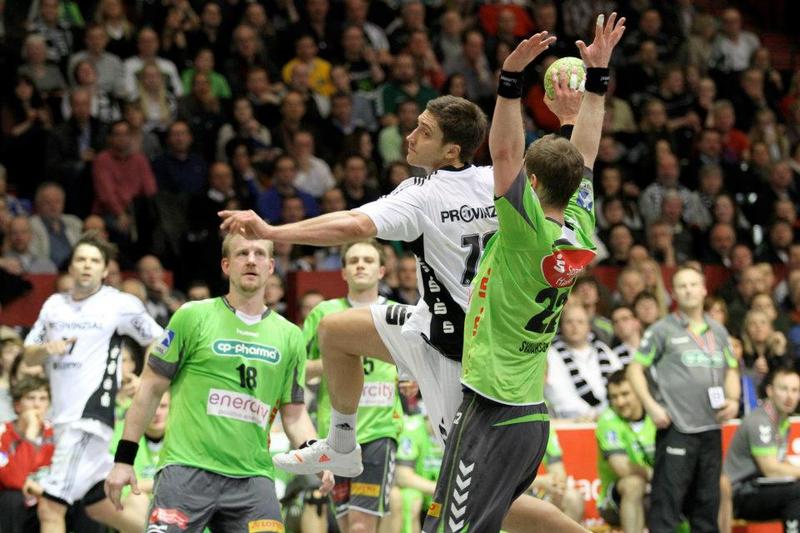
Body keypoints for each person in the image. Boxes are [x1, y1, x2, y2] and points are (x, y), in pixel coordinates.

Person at [220, 44, 587, 533]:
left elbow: (352, 225)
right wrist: (569, 121)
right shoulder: (499, 182)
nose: (410, 136)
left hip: (462, 361)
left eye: (424, 132)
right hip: (427, 324)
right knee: (335, 330)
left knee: (499, 502)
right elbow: (562, 175)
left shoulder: (421, 195)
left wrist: (272, 231)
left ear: (451, 151)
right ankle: (342, 445)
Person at [427, 14, 623, 530]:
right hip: (530, 414)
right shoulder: (580, 227)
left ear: (531, 186)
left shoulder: (525, 233)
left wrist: (510, 80)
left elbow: (505, 151)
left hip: (492, 409)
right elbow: (584, 154)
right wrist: (596, 82)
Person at [104, 233, 333, 531]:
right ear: (226, 265)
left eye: (259, 254)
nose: (251, 260)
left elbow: (295, 414)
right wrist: (124, 460)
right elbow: (150, 388)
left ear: (271, 267)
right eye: (242, 254)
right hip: (186, 470)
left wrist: (316, 455)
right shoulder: (192, 316)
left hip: (252, 478)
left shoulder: (290, 336)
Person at [22, 233, 164, 533]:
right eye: (81, 259)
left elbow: (159, 339)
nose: (87, 265)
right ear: (71, 267)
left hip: (89, 419)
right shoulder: (53, 305)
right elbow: (29, 354)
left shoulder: (118, 304)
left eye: (95, 261)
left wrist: (144, 379)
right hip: (62, 419)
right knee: (101, 505)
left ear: (105, 270)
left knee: (50, 508)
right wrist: (46, 349)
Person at [628, 265, 741, 533]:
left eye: (693, 285)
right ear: (674, 293)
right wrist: (651, 406)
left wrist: (734, 399)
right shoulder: (662, 330)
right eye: (682, 286)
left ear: (704, 290)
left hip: (711, 427)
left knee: (707, 505)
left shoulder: (718, 331)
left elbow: (731, 368)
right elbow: (634, 369)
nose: (688, 290)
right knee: (667, 505)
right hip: (677, 427)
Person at [303, 239, 403, 532]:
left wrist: (411, 380)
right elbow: (299, 370)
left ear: (382, 270)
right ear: (343, 272)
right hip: (335, 432)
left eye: (368, 260)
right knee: (346, 524)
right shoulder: (325, 313)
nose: (361, 265)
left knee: (361, 526)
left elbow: (421, 363)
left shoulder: (398, 313)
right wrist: (340, 357)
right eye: (354, 260)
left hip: (380, 430)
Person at [724, 368, 800, 530]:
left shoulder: (783, 421)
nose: (790, 396)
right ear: (770, 391)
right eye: (784, 389)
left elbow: (781, 463)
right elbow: (770, 469)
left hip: (760, 488)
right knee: (797, 492)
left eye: (795, 390)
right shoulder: (760, 421)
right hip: (739, 494)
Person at [595, 370, 655, 533]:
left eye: (625, 394)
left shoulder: (656, 415)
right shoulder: (608, 420)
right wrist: (654, 475)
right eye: (614, 397)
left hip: (655, 492)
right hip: (614, 501)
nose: (620, 402)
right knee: (634, 483)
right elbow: (621, 468)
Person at [546, 304, 623, 420]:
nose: (574, 326)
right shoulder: (551, 354)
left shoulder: (603, 350)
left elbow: (620, 380)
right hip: (575, 421)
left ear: (589, 327)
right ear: (561, 326)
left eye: (580, 322)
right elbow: (557, 393)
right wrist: (592, 414)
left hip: (612, 416)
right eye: (569, 322)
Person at [0, 376, 54, 533]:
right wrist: (30, 433)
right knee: (12, 498)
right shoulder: (2, 434)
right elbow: (13, 480)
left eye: (43, 399)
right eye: (31, 398)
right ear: (17, 406)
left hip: (46, 494)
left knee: (85, 501)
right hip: (16, 501)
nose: (37, 404)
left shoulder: (56, 432)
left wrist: (42, 489)